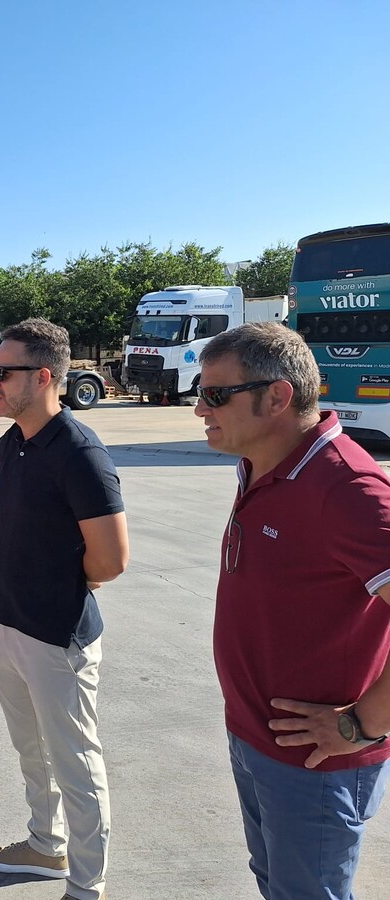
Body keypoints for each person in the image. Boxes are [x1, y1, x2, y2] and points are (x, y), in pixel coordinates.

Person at [196, 322, 390, 899]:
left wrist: (364, 724)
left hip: (315, 763)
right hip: (256, 738)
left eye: (215, 395)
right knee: (277, 885)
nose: (200, 409)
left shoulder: (348, 488)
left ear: (277, 397)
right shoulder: (261, 462)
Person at [0, 318, 128, 900]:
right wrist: (24, 537)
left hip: (58, 638)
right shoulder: (16, 439)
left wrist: (64, 571)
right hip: (8, 623)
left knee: (76, 763)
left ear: (42, 377)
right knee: (31, 750)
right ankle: (45, 845)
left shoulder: (80, 453)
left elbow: (111, 560)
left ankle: (87, 886)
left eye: (3, 372)